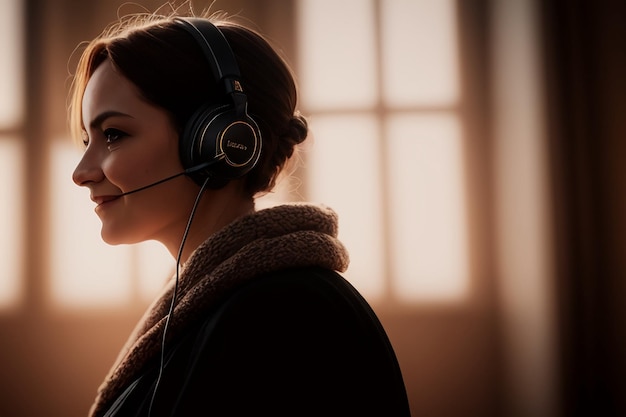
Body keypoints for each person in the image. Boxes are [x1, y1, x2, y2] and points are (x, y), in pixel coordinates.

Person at [69, 7, 410, 417]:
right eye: (88, 138)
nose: (81, 173)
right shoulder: (216, 304)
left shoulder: (286, 316)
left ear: (219, 141)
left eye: (113, 134)